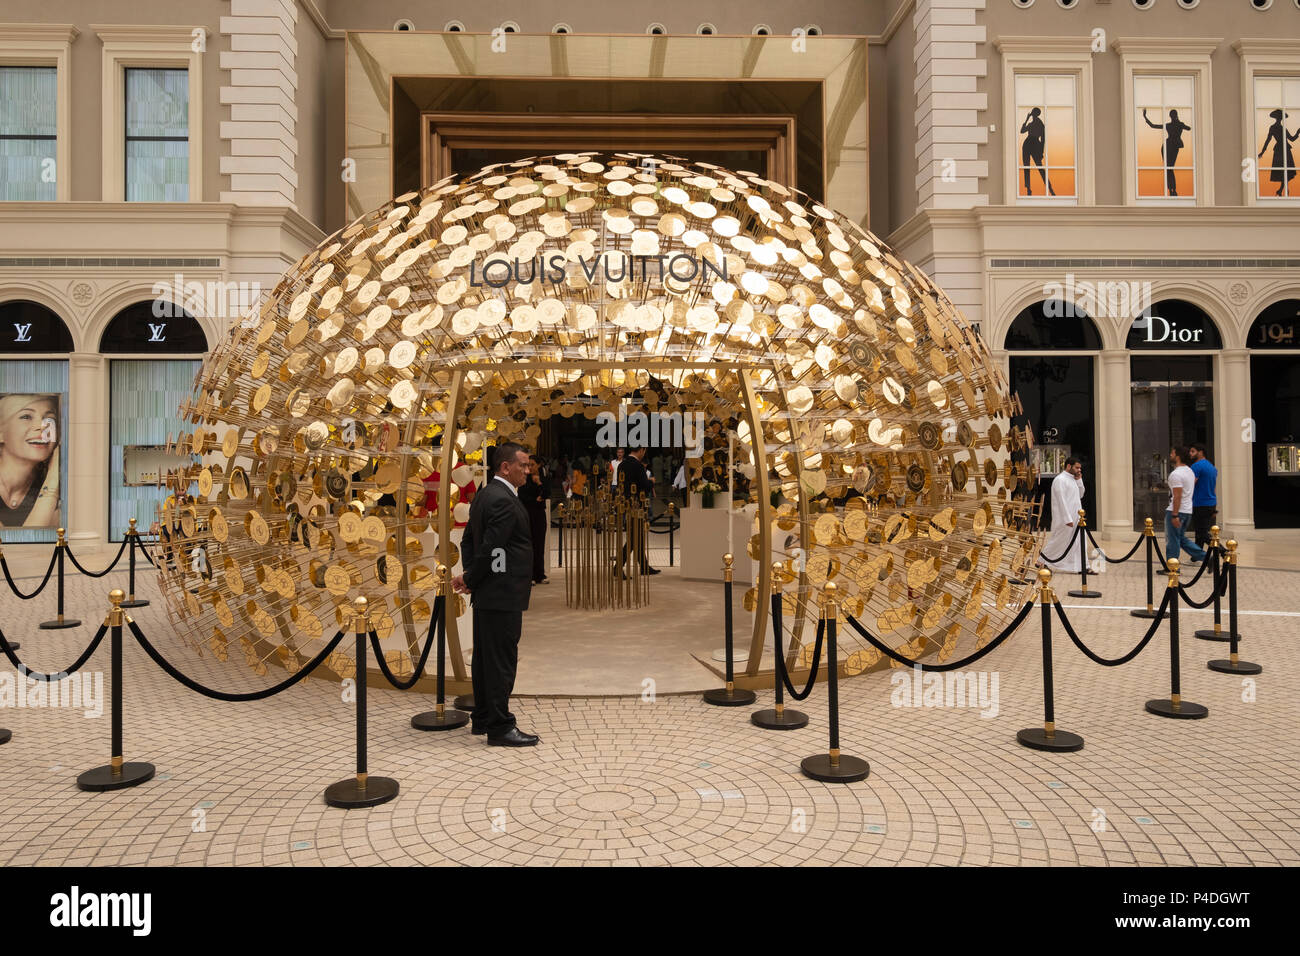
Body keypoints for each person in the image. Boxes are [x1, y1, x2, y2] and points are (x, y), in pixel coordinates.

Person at [451, 442, 539, 747]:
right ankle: (500, 727)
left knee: (485, 660)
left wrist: (472, 578)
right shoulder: (503, 500)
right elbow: (491, 548)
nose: (528, 471)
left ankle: (484, 717)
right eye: (524, 465)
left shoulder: (486, 494)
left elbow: (468, 541)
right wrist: (474, 577)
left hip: (489, 593)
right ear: (505, 467)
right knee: (501, 660)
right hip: (502, 593)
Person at [0, 394, 60, 528]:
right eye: (26, 417)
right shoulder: (53, 482)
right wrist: (52, 482)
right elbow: (27, 542)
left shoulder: (63, 495)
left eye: (50, 419)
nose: (42, 426)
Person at [616, 445, 660, 576]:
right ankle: (618, 566)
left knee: (637, 536)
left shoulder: (621, 465)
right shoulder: (638, 466)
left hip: (626, 504)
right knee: (634, 538)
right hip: (637, 505)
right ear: (642, 450)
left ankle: (644, 566)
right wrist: (651, 481)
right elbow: (645, 486)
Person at [1041, 457, 1084, 572]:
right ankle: (1041, 561)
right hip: (1065, 519)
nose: (1079, 470)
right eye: (1077, 467)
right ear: (1069, 466)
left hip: (1077, 517)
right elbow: (1061, 501)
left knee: (1079, 542)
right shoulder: (1060, 480)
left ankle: (1083, 567)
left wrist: (1079, 480)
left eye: (1080, 468)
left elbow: (1080, 495)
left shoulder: (1073, 479)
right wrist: (1067, 519)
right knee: (1058, 541)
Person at [1165, 446, 1206, 563]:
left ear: (1177, 456)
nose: (1170, 455)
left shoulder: (1176, 474)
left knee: (1173, 540)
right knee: (1181, 539)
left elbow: (1177, 496)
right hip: (1187, 510)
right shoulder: (1190, 471)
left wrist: (1174, 515)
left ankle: (1172, 567)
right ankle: (1207, 558)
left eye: (1172, 453)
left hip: (1178, 510)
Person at [1143, 108, 1192, 197]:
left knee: (1169, 168)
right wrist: (1145, 117)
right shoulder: (1178, 124)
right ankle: (1172, 190)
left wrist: (1145, 117)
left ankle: (1172, 189)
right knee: (1169, 168)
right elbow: (1188, 128)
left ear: (1171, 116)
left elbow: (1153, 125)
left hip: (1169, 145)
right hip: (1170, 146)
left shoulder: (1172, 125)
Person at [518, 454, 549, 585]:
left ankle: (539, 574)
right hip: (527, 514)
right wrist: (535, 499)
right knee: (528, 545)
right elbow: (522, 496)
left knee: (539, 544)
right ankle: (528, 575)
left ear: (539, 465)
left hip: (539, 515)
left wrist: (539, 483)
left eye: (532, 465)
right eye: (528, 465)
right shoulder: (524, 478)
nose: (530, 467)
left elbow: (547, 493)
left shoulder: (543, 477)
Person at [1258, 108, 1298, 197]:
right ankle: (1282, 190)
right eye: (1279, 117)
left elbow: (1292, 139)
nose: (1280, 118)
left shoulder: (1283, 128)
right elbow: (1268, 140)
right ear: (1276, 118)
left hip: (1286, 150)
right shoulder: (1273, 128)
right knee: (1283, 171)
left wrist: (1298, 133)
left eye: (1281, 117)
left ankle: (1281, 190)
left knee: (1287, 171)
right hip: (1280, 150)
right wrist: (1262, 152)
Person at [1187, 442, 1218, 548]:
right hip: (1211, 503)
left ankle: (1223, 552)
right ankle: (1196, 557)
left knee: (1202, 534)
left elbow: (1191, 484)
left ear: (1200, 452)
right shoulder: (1211, 466)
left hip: (1200, 503)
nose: (1190, 454)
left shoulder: (1196, 466)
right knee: (1200, 532)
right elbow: (1213, 486)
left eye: (1193, 451)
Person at [1019, 107, 1055, 197]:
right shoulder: (1031, 123)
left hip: (1035, 145)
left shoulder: (1040, 124)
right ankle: (1028, 189)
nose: (1032, 114)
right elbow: (1022, 131)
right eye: (1032, 112)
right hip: (1027, 145)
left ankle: (1050, 188)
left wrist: (1041, 152)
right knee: (1026, 167)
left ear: (1036, 114)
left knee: (1040, 168)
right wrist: (1026, 119)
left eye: (1033, 113)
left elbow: (1043, 140)